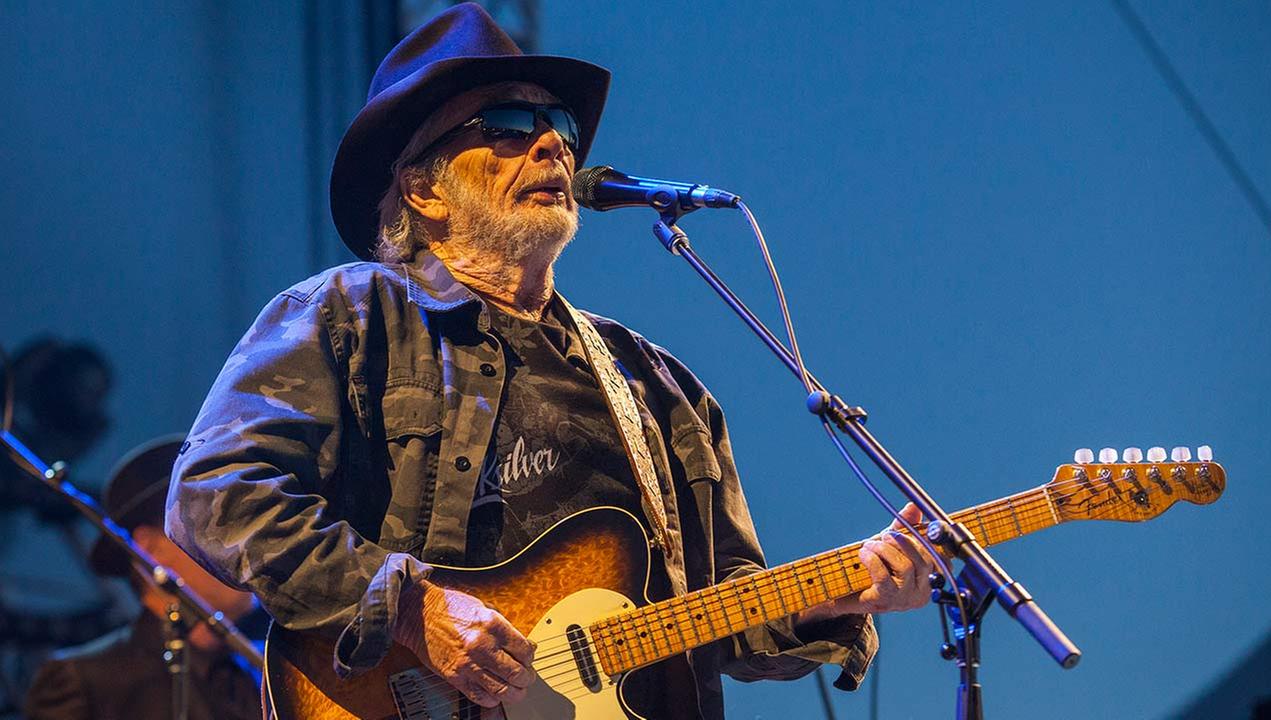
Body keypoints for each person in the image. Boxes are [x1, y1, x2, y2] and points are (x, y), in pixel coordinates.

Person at [165, 4, 933, 718]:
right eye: (504, 123)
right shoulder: (348, 317)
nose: (551, 143)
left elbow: (717, 614)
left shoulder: (659, 386)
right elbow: (213, 496)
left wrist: (826, 602)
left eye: (557, 122)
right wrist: (407, 606)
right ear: (423, 191)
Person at [24, 436, 263, 720]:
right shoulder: (88, 683)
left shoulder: (270, 673)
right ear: (149, 548)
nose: (243, 543)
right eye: (215, 526)